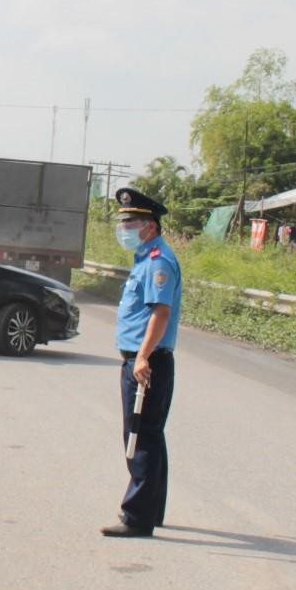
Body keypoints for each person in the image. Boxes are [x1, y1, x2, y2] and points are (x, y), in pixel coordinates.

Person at [101, 187, 182, 538]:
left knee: (140, 438)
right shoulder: (147, 258)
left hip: (145, 362)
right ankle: (152, 509)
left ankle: (136, 517)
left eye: (131, 221)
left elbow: (160, 314)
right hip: (144, 359)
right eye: (123, 221)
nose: (125, 227)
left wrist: (143, 357)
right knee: (151, 435)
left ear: (150, 225)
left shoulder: (157, 263)